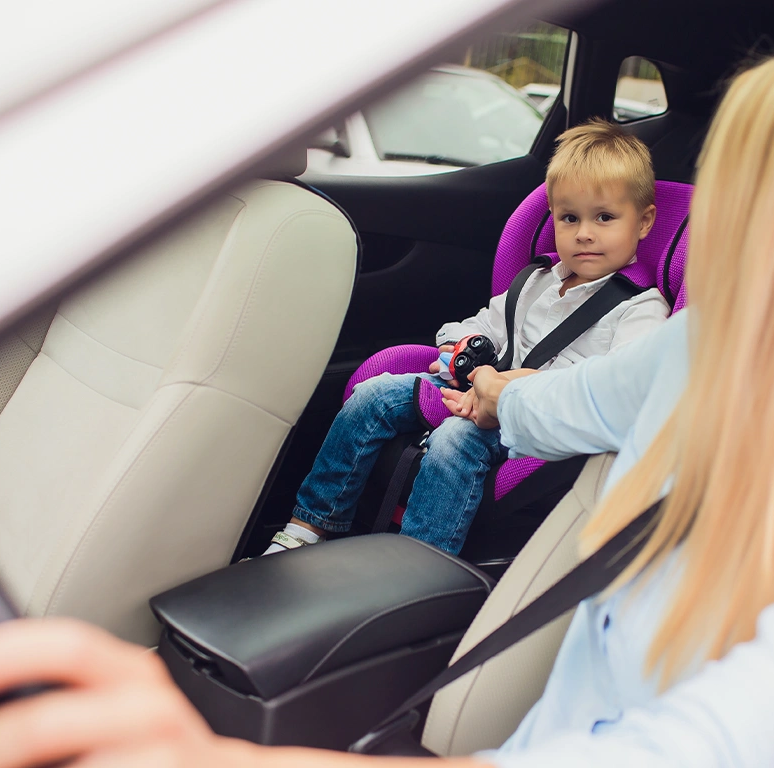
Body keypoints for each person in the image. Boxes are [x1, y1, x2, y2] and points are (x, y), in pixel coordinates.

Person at [0, 42, 774, 768]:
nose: (736, 227)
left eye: (756, 192)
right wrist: (472, 380)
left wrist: (220, 758)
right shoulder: (700, 351)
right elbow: (546, 408)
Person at [262, 118, 669, 557]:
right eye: (569, 218)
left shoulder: (641, 308)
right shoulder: (536, 281)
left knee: (454, 439)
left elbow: (616, 390)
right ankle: (309, 526)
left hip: (534, 425)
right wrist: (457, 351)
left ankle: (416, 566)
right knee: (373, 395)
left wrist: (511, 391)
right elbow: (481, 326)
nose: (584, 233)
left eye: (604, 218)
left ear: (644, 222)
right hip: (470, 388)